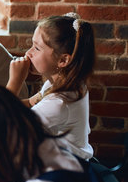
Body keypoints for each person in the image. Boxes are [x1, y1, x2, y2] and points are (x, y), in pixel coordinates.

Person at [6, 13, 95, 160]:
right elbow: (28, 103)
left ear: (63, 60)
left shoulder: (59, 103)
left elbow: (0, 125)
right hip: (62, 158)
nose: (28, 53)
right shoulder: (64, 82)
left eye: (37, 48)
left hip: (65, 171)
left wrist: (15, 81)